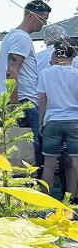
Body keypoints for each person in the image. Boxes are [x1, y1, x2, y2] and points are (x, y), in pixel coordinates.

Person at [0, 0, 51, 164]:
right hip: (23, 101)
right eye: (43, 19)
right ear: (31, 16)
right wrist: (14, 105)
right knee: (29, 153)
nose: (44, 24)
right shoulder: (21, 38)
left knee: (16, 151)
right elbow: (12, 70)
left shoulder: (12, 36)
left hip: (17, 100)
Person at [38, 41, 78, 199]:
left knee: (49, 164)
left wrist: (41, 122)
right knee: (75, 162)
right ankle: (72, 200)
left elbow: (42, 99)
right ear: (72, 56)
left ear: (55, 54)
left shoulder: (46, 73)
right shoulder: (76, 73)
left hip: (52, 120)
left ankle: (45, 201)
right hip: (74, 120)